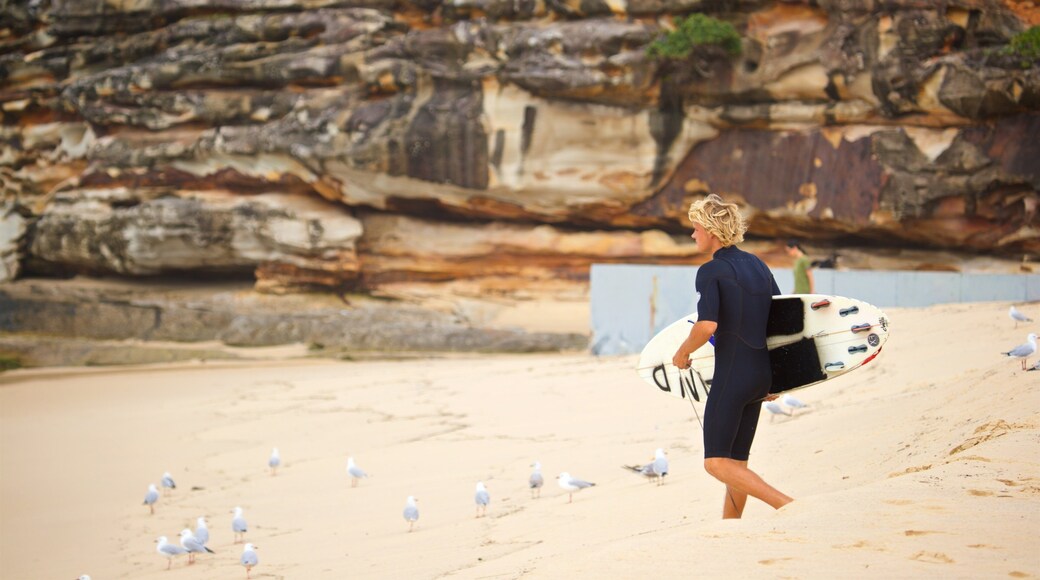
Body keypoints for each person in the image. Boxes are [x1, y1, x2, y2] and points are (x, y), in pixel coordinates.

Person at [671, 194, 793, 519]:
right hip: (760, 375)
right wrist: (778, 375)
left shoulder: (711, 271)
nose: (693, 235)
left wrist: (682, 352)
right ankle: (730, 528)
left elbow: (707, 324)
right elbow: (780, 319)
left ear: (710, 231)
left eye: (695, 229)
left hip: (734, 375)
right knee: (737, 463)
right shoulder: (757, 265)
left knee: (715, 462)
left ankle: (788, 506)